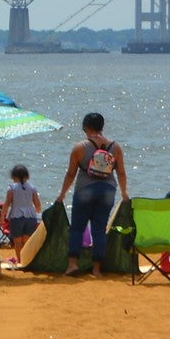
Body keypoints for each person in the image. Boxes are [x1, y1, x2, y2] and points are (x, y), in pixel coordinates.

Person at [55, 112, 128, 276]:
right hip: (108, 191)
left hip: (85, 190)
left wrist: (62, 195)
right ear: (102, 126)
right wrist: (124, 193)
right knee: (99, 230)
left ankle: (73, 264)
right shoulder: (115, 147)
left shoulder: (80, 147)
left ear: (86, 127)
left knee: (77, 229)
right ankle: (96, 269)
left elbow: (71, 174)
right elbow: (121, 173)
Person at [3, 164, 41, 264]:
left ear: (14, 177)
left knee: (18, 243)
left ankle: (20, 261)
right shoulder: (32, 188)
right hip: (31, 217)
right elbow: (38, 206)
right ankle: (27, 260)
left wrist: (2, 216)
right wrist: (37, 211)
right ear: (27, 176)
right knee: (27, 241)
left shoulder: (11, 188)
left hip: (17, 216)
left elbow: (7, 203)